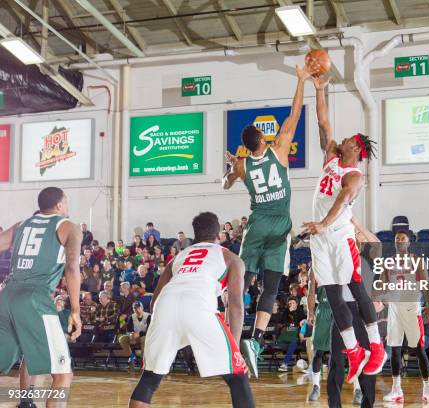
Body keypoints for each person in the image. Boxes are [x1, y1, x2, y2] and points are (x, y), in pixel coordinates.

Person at [223, 65, 311, 378]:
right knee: (271, 287)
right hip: (279, 226)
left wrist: (231, 169)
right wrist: (301, 80)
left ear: (246, 145)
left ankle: (229, 333)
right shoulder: (281, 149)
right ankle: (256, 341)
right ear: (262, 137)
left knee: (242, 281)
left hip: (257, 224)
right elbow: (295, 113)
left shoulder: (243, 164)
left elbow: (225, 183)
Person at [301, 75, 385, 384]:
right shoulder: (333, 157)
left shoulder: (355, 176)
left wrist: (323, 224)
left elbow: (342, 198)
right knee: (332, 295)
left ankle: (376, 347)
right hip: (320, 239)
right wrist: (319, 89)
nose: (343, 138)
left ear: (357, 148)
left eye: (349, 138)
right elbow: (323, 124)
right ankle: (354, 351)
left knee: (356, 287)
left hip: (337, 236)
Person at [128, 212, 254, 408]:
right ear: (218, 234)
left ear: (195, 234)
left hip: (165, 305)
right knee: (238, 378)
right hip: (199, 305)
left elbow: (154, 301)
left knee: (150, 379)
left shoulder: (178, 256)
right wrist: (235, 351)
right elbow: (236, 305)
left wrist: (169, 331)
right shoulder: (230, 257)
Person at [0, 187, 83, 408]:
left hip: (7, 297)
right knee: (63, 374)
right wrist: (75, 310)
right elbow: (72, 268)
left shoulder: (22, 225)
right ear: (58, 205)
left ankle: (25, 402)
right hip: (34, 298)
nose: (67, 207)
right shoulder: (68, 226)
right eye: (66, 203)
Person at [382, 231, 429, 403]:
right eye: (397, 239)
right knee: (395, 348)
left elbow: (427, 285)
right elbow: (382, 285)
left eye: (403, 239)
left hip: (411, 307)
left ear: (408, 242)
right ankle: (396, 389)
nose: (399, 241)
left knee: (419, 348)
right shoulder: (387, 262)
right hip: (394, 308)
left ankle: (427, 388)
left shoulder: (416, 260)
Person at [306, 269, 332, 401]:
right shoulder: (316, 266)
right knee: (318, 352)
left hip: (341, 308)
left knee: (348, 352)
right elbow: (311, 291)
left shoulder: (342, 257)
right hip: (323, 309)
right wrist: (310, 312)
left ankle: (357, 389)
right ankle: (316, 386)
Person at [119, 301, 151, 369]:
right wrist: (130, 334)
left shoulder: (148, 316)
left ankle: (144, 360)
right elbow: (128, 329)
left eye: (138, 308)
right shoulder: (131, 317)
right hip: (135, 337)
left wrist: (139, 333)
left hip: (146, 337)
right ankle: (132, 357)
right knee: (122, 338)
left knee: (144, 339)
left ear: (142, 308)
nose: (137, 310)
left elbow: (150, 331)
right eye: (134, 308)